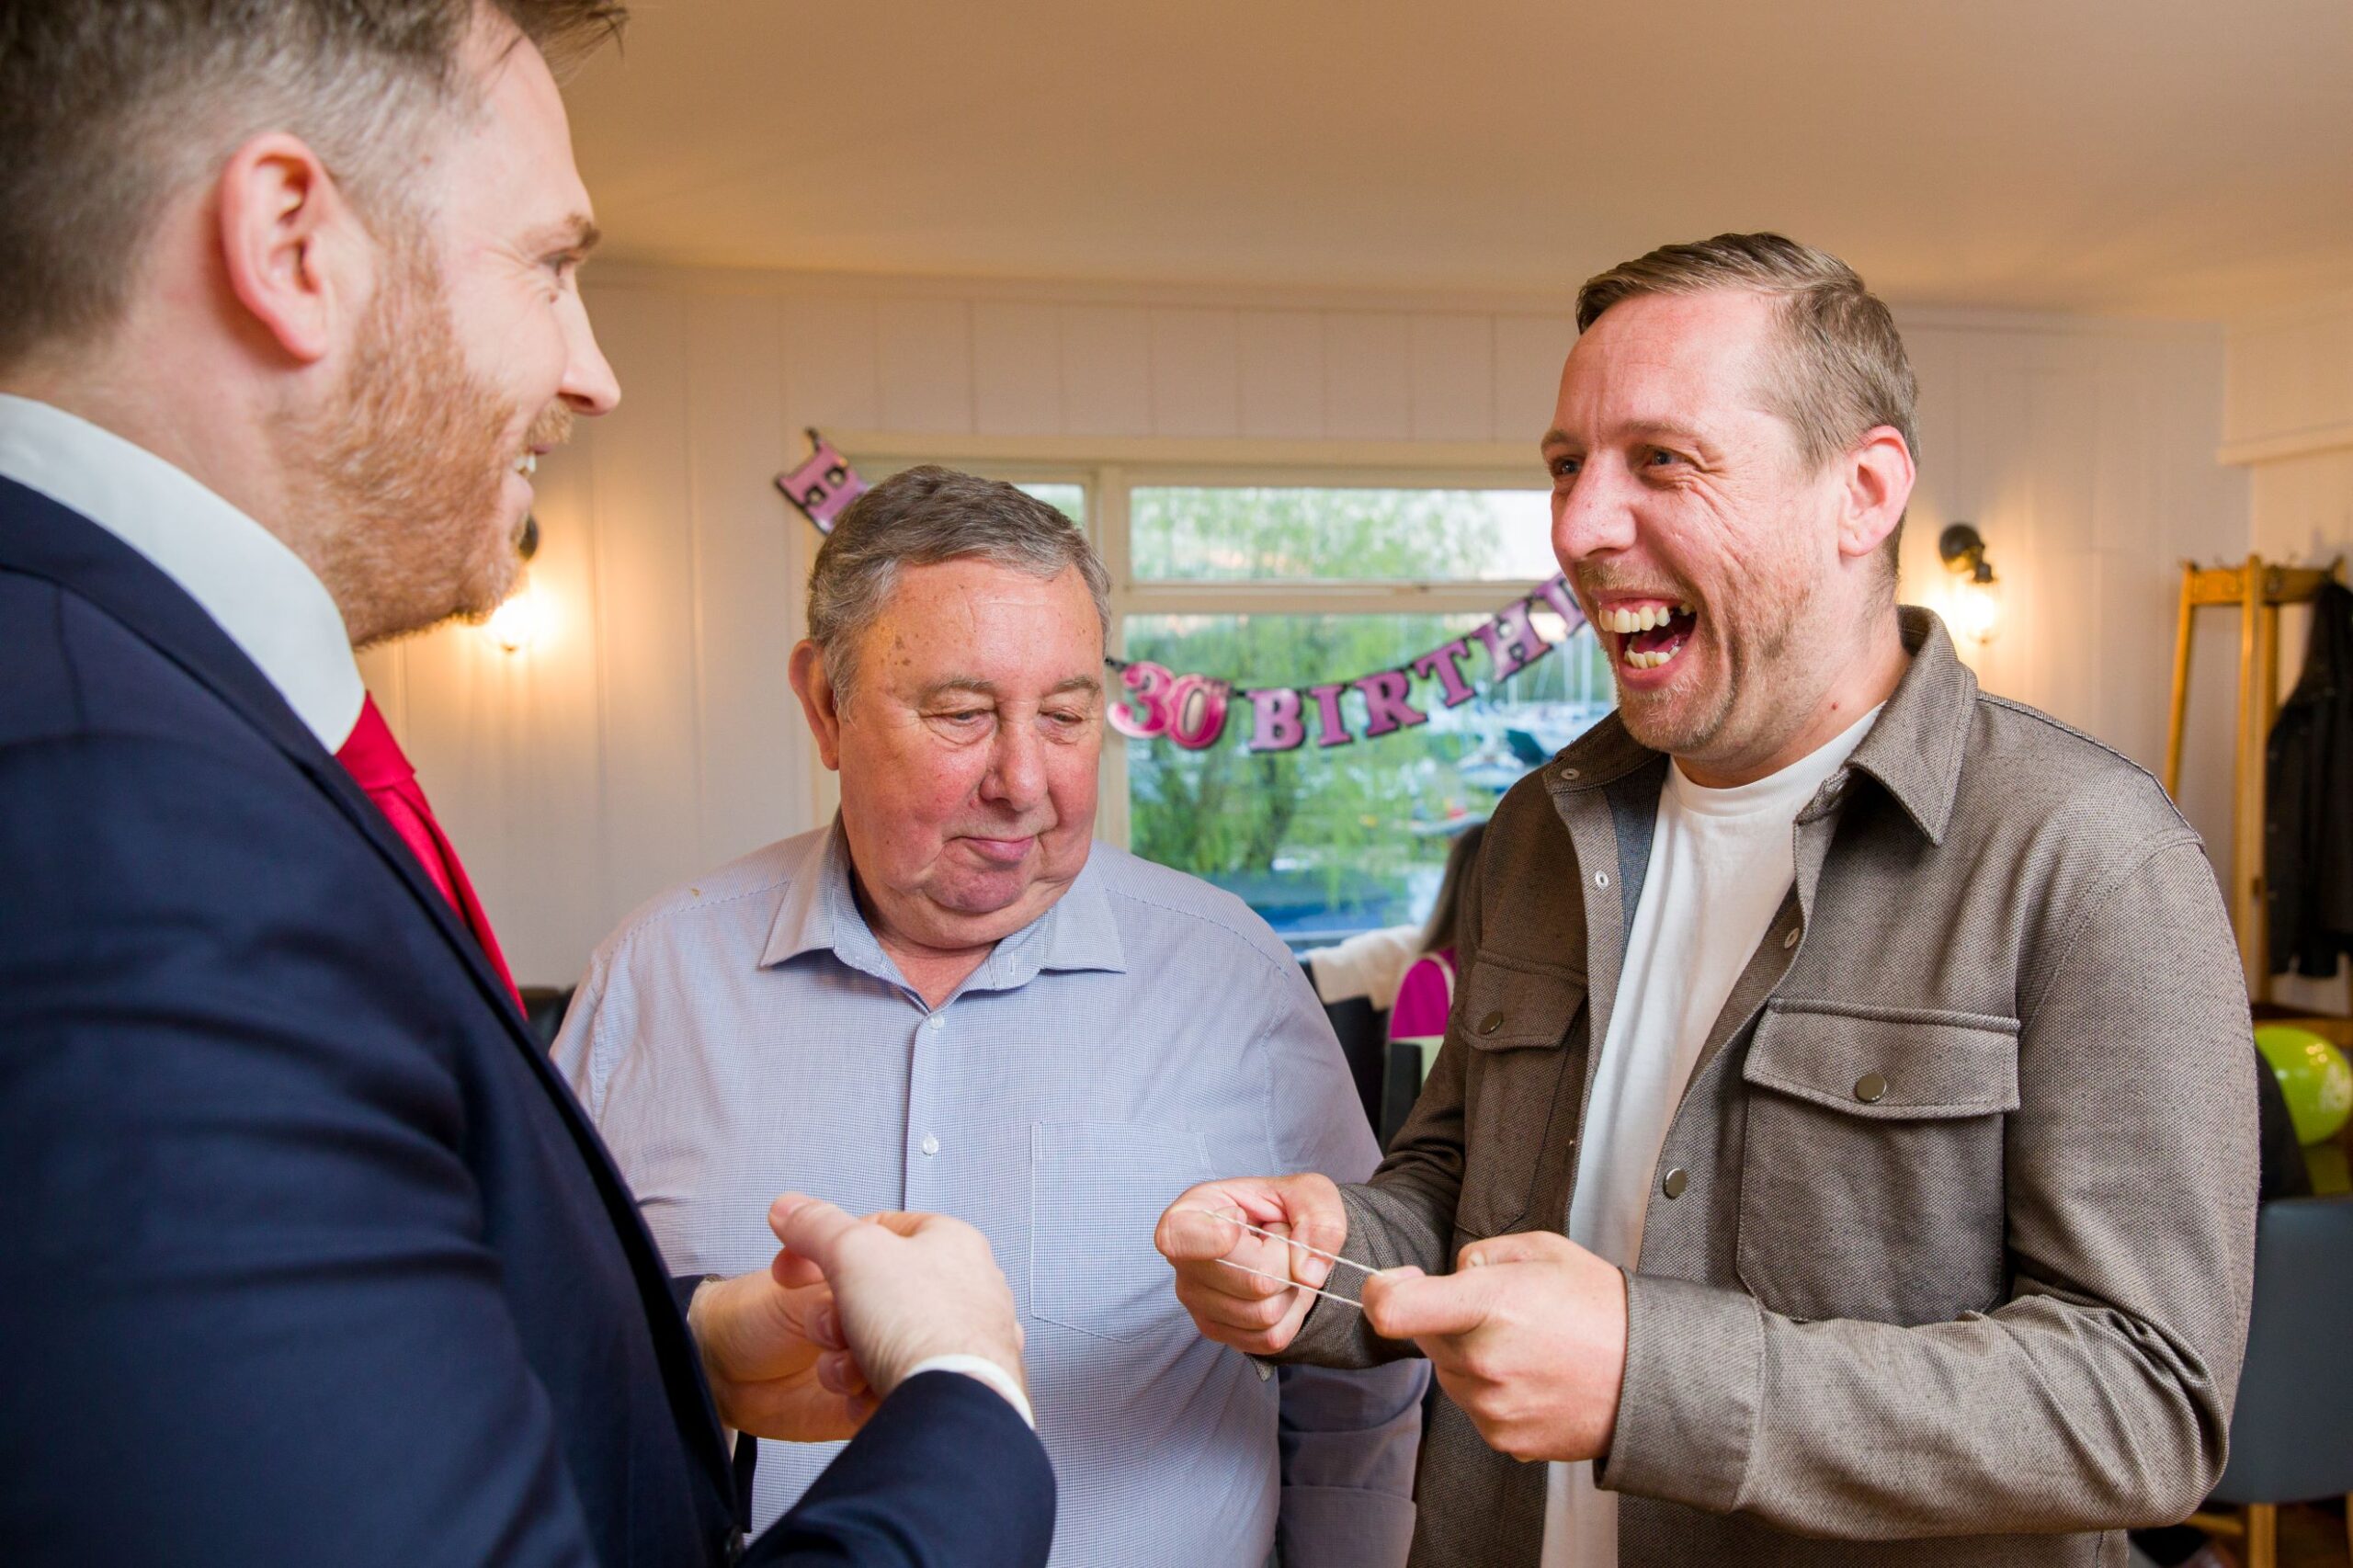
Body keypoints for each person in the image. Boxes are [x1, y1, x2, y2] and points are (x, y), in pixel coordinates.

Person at [0, 5, 1052, 1563]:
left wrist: (673, 1351)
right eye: (553, 267)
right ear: (293, 243)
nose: (593, 372)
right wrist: (966, 1398)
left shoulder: (152, 711)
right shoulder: (122, 824)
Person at [1156, 233, 2259, 1567]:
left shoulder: (2092, 859)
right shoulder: (1534, 835)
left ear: (1862, 490)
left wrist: (1652, 1381)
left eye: (1661, 461)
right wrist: (1324, 1253)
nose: (1574, 526)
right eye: (1568, 465)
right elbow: (1459, 1191)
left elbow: (2143, 1404)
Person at [554, 465, 1427, 1567]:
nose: (1025, 780)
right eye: (962, 714)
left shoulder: (1237, 978)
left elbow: (1360, 1352)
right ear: (823, 703)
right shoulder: (651, 981)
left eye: (1065, 716)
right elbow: (542, 1353)